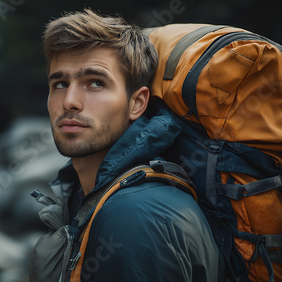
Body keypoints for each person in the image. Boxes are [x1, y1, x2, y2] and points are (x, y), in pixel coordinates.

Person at [30, 9, 223, 281]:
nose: (69, 101)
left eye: (95, 83)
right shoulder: (85, 193)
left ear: (137, 103)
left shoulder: (134, 217)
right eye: (60, 83)